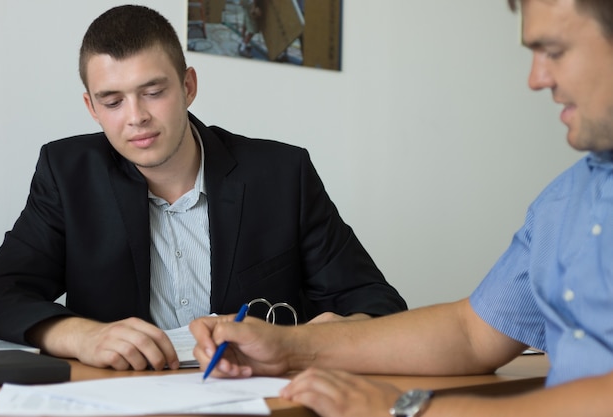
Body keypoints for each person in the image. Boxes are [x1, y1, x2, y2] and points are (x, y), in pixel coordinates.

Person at [190, 0, 613, 415]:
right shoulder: (565, 200)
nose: (536, 78)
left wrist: (406, 410)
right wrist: (287, 347)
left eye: (554, 52)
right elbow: (471, 333)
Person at [0, 5, 407, 372]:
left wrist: (328, 337)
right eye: (112, 102)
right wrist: (81, 336)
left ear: (188, 86)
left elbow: (375, 301)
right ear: (91, 108)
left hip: (262, 397)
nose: (136, 117)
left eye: (153, 92)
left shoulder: (282, 174)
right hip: (123, 399)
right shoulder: (67, 174)